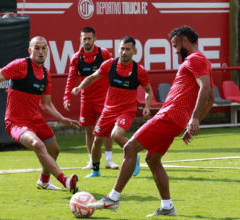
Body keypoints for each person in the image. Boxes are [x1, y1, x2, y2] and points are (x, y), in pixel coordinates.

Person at [88, 26, 214, 216]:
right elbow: (210, 98)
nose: (175, 50)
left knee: (130, 148)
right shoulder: (204, 62)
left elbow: (205, 89)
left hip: (170, 115)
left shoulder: (195, 59)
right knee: (152, 159)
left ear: (184, 42)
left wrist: (194, 118)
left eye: (175, 46)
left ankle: (112, 199)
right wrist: (191, 121)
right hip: (177, 119)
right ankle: (167, 206)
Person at [0, 36, 79, 194]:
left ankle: (44, 181)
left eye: (44, 48)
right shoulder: (20, 65)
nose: (41, 52)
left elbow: (46, 104)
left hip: (35, 120)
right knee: (38, 145)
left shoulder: (46, 74)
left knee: (54, 150)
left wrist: (62, 119)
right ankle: (66, 181)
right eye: (37, 48)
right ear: (30, 50)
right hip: (15, 122)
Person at [72, 36, 153, 178]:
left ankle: (134, 156)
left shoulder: (139, 70)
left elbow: (148, 91)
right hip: (108, 109)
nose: (124, 52)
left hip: (127, 110)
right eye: (122, 48)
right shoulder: (109, 65)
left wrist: (147, 105)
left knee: (116, 135)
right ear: (118, 49)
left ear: (135, 51)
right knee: (97, 140)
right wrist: (79, 87)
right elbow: (92, 77)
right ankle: (96, 171)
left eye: (128, 49)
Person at [63, 27, 117, 170]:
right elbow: (71, 78)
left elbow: (113, 72)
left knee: (105, 128)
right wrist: (67, 98)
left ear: (94, 39)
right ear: (80, 39)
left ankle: (109, 160)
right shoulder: (76, 58)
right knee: (88, 130)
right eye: (84, 38)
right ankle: (92, 161)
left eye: (89, 38)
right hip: (86, 99)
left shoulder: (104, 54)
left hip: (104, 98)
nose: (86, 41)